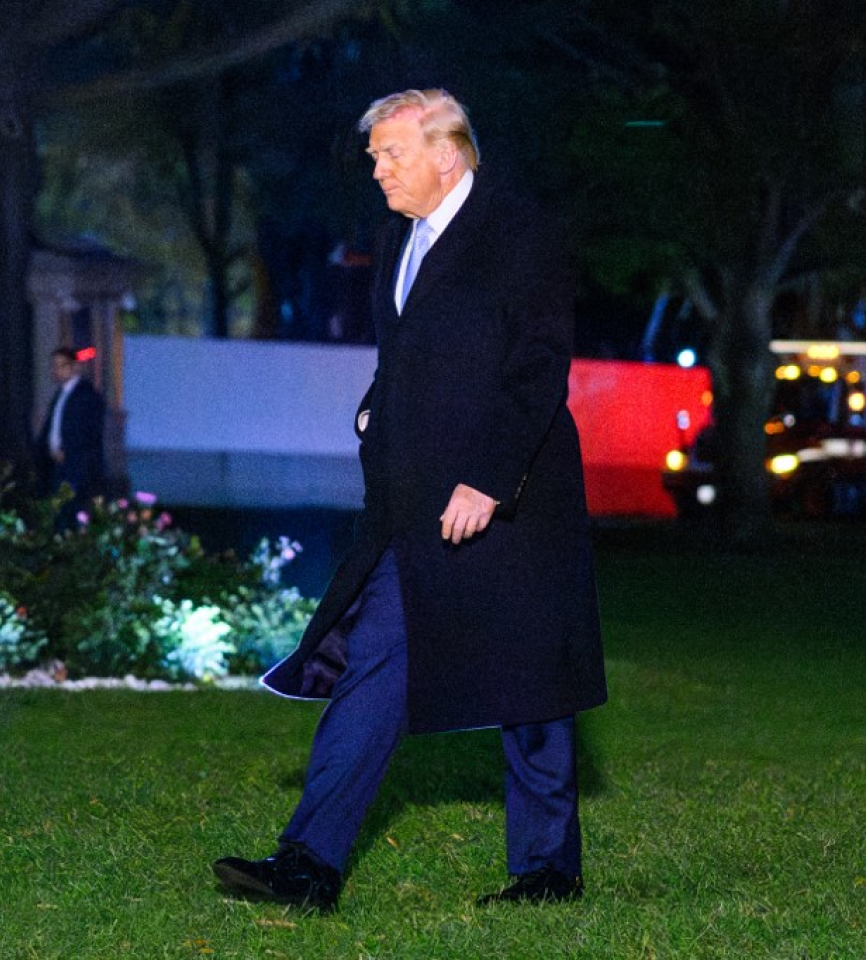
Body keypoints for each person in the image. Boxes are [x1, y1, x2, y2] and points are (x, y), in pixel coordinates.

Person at [212, 89, 607, 913]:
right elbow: (414, 357)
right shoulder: (401, 239)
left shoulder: (520, 234)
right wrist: (376, 405)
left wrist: (492, 480)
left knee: (532, 685)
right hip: (413, 505)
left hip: (512, 498)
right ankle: (308, 867)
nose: (378, 170)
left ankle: (547, 873)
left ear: (447, 153)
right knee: (374, 666)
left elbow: (537, 367)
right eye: (375, 156)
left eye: (391, 153)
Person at [35, 347, 105, 521]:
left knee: (68, 513)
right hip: (57, 466)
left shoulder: (85, 395)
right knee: (57, 513)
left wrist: (68, 451)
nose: (56, 370)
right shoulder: (62, 394)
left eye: (62, 365)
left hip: (74, 468)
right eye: (54, 366)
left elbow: (88, 433)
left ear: (74, 367)